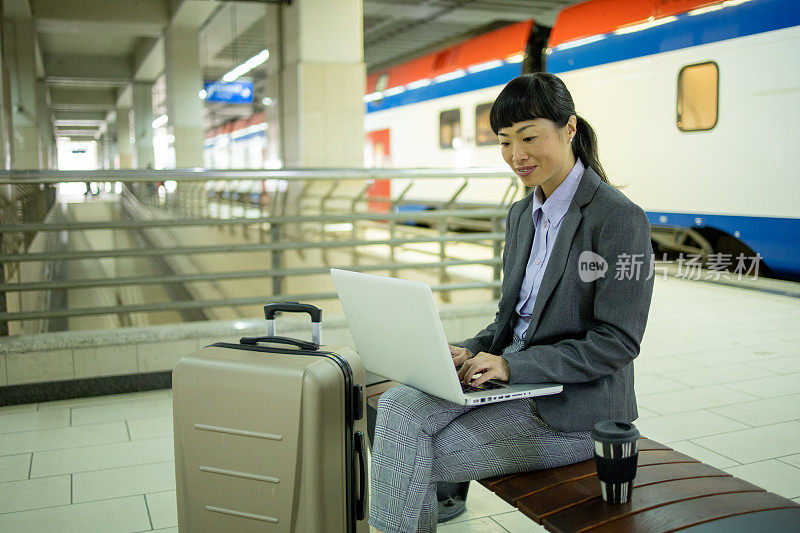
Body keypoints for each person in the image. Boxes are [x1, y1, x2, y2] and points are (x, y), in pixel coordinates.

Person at [369, 72, 655, 533]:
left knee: (407, 448)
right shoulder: (523, 213)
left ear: (570, 129)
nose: (516, 155)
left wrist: (511, 367)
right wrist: (474, 348)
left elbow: (618, 342)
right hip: (515, 380)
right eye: (504, 141)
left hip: (574, 410)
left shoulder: (619, 219)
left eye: (529, 136)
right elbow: (513, 318)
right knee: (398, 408)